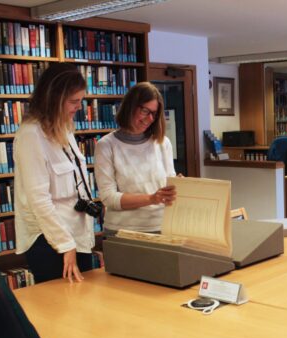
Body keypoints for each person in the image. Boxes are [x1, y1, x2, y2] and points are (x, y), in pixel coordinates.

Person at [14, 63, 97, 284]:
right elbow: (39, 200)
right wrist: (65, 244)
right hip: (52, 243)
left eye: (81, 100)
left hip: (77, 235)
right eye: (73, 101)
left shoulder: (63, 127)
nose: (79, 107)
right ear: (54, 99)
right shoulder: (31, 135)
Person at [95, 82, 176, 234]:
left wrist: (178, 186)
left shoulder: (162, 142)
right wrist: (151, 198)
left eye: (154, 113)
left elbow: (168, 182)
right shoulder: (106, 145)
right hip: (123, 231)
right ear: (130, 107)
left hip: (162, 226)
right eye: (145, 111)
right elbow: (109, 198)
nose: (150, 118)